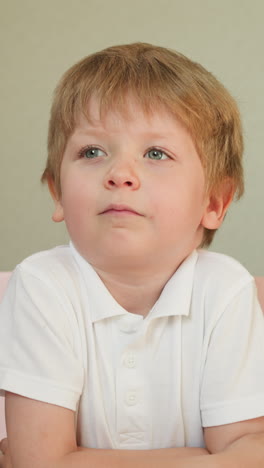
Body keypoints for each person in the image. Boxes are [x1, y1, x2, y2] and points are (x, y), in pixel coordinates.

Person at [0, 42, 264, 468]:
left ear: (214, 202)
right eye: (92, 152)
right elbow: (40, 462)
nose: (120, 174)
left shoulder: (226, 290)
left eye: (156, 153)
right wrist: (207, 458)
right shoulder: (42, 284)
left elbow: (252, 450)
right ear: (58, 193)